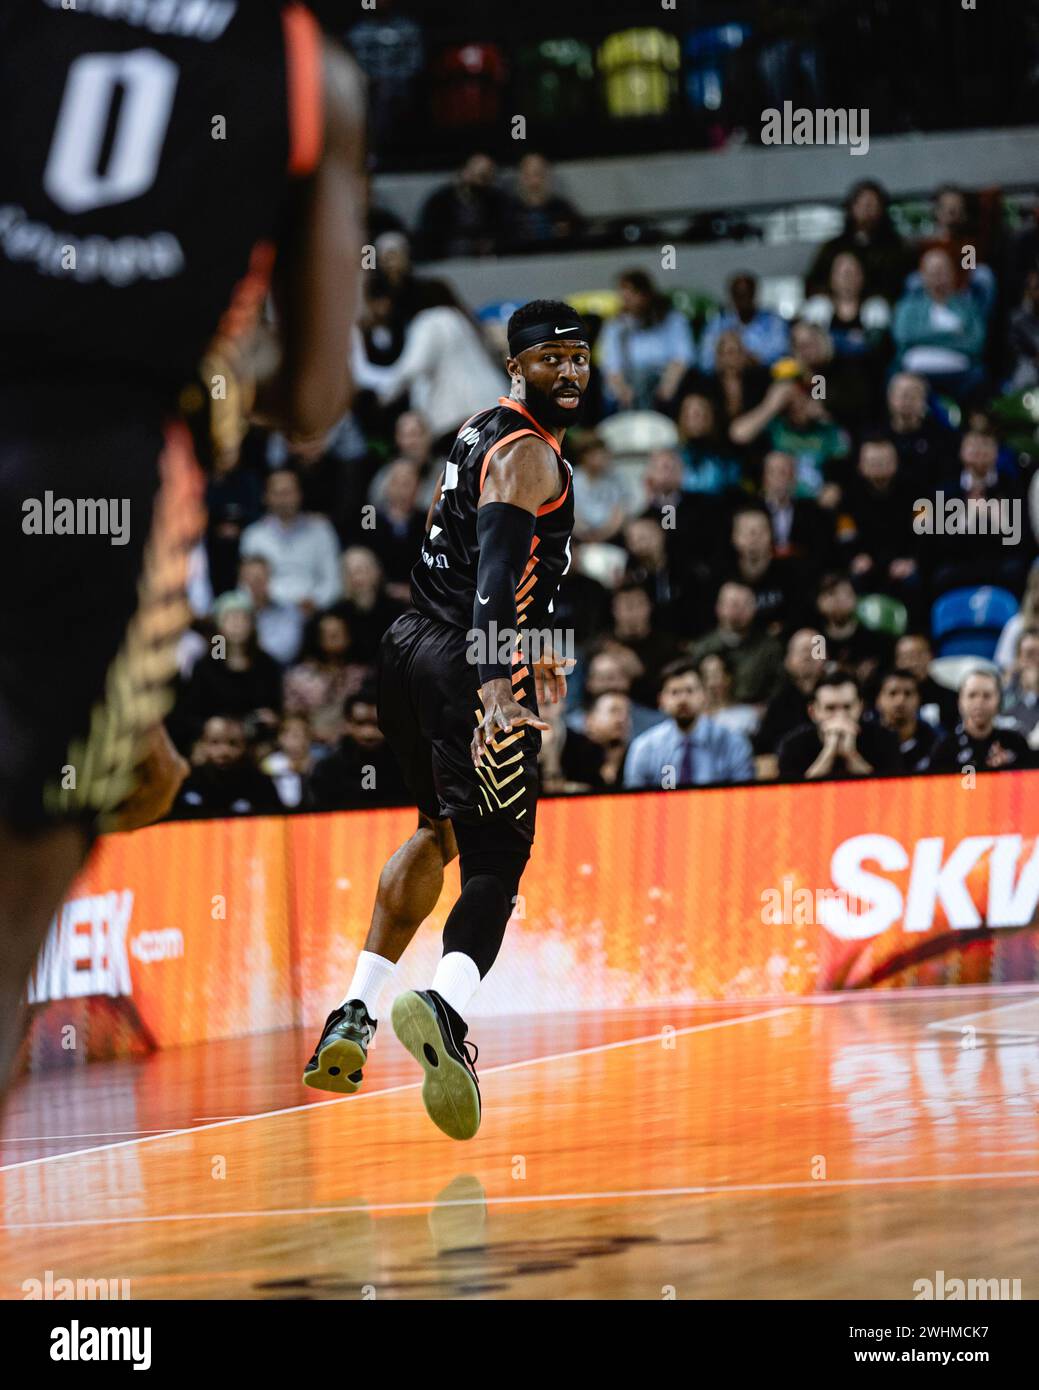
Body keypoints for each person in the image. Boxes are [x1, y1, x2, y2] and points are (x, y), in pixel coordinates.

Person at [0, 3, 365, 1093]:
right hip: (106, 476)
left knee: (143, 769)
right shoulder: (311, 73)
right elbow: (312, 399)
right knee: (32, 893)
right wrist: (215, 369)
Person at [303, 300, 588, 1142]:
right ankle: (446, 1009)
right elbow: (496, 575)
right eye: (551, 359)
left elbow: (482, 568)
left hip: (407, 646)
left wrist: (539, 644)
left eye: (578, 358)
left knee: (437, 830)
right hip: (467, 663)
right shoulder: (531, 456)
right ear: (516, 367)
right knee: (500, 856)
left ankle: (353, 1010)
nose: (568, 372)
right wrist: (501, 677)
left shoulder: (477, 428)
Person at [623, 661, 754, 789]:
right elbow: (634, 801)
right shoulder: (644, 747)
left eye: (690, 691)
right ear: (661, 700)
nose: (683, 700)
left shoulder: (733, 742)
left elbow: (743, 796)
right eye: (675, 692)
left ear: (705, 696)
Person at [239, 468, 344, 615]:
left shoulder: (321, 531)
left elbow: (333, 579)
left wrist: (317, 601)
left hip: (315, 612)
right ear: (266, 497)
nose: (283, 499)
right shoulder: (253, 535)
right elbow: (245, 585)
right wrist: (270, 601)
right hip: (267, 611)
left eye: (288, 492)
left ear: (300, 494)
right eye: (277, 493)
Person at [892, 248, 988, 400]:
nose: (938, 277)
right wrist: (952, 335)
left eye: (942, 271)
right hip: (917, 371)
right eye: (932, 272)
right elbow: (903, 337)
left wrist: (924, 337)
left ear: (953, 274)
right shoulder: (909, 306)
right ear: (922, 276)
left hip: (961, 373)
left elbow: (976, 343)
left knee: (980, 377)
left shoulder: (968, 307)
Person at [599, 269, 695, 412]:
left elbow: (682, 357)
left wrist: (668, 386)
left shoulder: (672, 320)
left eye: (632, 293)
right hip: (628, 386)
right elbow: (611, 366)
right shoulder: (615, 326)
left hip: (664, 381)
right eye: (623, 294)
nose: (627, 299)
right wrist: (623, 392)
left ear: (645, 294)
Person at [777, 673, 903, 781]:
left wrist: (851, 755)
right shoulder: (792, 745)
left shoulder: (885, 739)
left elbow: (887, 795)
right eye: (830, 708)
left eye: (847, 707)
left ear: (860, 707)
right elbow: (795, 798)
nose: (840, 716)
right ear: (813, 712)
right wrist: (828, 753)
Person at [307, 686, 410, 810]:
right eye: (360, 723)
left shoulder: (406, 766)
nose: (369, 733)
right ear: (347, 724)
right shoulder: (328, 769)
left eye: (376, 724)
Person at [174, 716, 283, 819]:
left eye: (233, 743)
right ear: (203, 744)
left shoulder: (261, 784)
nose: (224, 751)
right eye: (215, 742)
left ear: (244, 746)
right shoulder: (186, 781)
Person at [925, 669, 1032, 773]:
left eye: (987, 696)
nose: (979, 702)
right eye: (972, 695)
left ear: (999, 701)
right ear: (960, 702)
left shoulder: (1016, 743)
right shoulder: (945, 749)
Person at [415, 152, 512, 260]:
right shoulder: (439, 201)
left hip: (488, 261)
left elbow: (506, 234)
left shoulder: (498, 201)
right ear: (463, 171)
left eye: (485, 177)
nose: (479, 182)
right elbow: (428, 238)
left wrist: (491, 245)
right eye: (476, 174)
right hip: (447, 260)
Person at [698, 272, 789, 372]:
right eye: (738, 295)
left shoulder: (773, 321)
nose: (743, 300)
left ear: (754, 294)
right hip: (724, 378)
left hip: (765, 376)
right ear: (731, 296)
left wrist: (749, 359)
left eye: (747, 294)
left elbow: (781, 355)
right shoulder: (718, 323)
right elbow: (705, 361)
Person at [870, 668, 939, 772]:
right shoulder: (866, 740)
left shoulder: (935, 742)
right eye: (892, 693)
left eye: (908, 693)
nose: (900, 700)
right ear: (878, 700)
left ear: (919, 700)